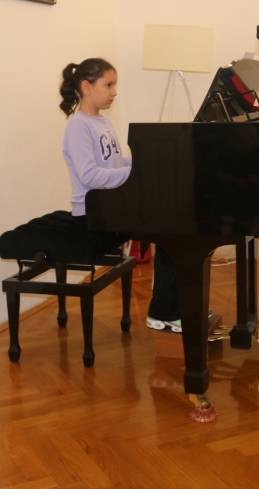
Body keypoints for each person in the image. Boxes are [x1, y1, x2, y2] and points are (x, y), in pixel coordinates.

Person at [59, 58, 182, 332]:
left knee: (176, 227)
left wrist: (142, 163)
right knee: (172, 232)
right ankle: (164, 312)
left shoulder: (102, 121)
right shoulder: (79, 126)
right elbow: (90, 176)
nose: (114, 92)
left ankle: (173, 306)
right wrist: (133, 174)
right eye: (109, 85)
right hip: (93, 212)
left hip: (111, 204)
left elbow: (115, 163)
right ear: (86, 87)